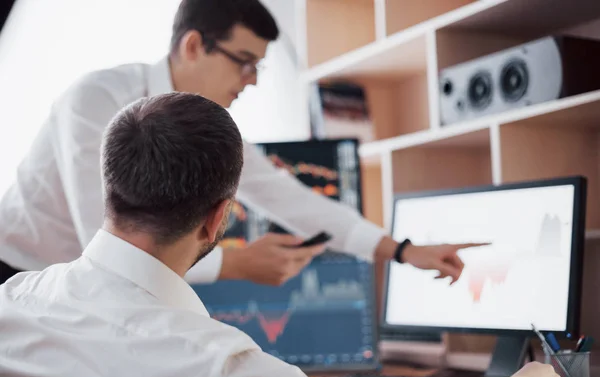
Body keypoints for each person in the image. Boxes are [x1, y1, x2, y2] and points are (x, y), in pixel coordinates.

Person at [0, 93, 572, 377]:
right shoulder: (219, 369)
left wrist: (397, 250)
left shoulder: (14, 301)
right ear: (220, 217)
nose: (251, 77)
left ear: (109, 189)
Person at [0, 0, 483, 286]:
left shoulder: (199, 125)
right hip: (17, 277)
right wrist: (235, 264)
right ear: (193, 46)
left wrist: (400, 250)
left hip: (91, 288)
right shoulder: (95, 99)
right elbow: (103, 244)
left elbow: (286, 195)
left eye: (259, 67)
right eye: (244, 61)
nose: (251, 81)